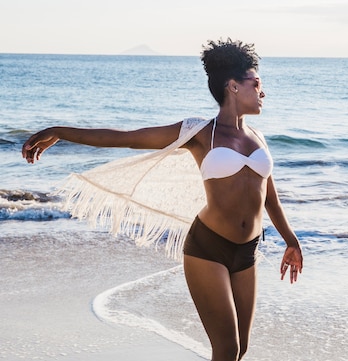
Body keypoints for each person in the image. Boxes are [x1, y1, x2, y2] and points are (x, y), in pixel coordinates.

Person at [22, 38, 303, 361]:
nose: (262, 91)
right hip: (208, 248)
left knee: (240, 349)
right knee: (225, 349)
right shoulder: (200, 133)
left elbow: (270, 197)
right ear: (233, 87)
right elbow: (126, 139)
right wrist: (60, 131)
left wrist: (290, 241)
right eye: (256, 84)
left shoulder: (258, 138)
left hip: (248, 251)